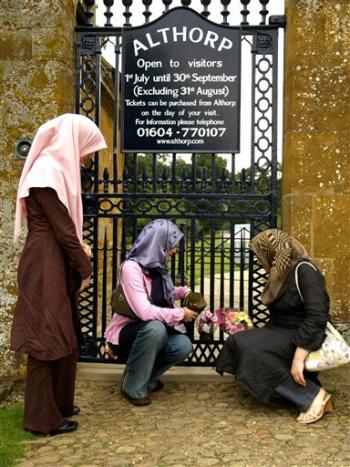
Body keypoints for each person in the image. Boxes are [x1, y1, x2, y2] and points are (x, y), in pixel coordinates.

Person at [11, 113, 107, 435]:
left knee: (64, 336)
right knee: (45, 338)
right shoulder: (46, 173)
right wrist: (86, 266)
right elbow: (64, 231)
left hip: (53, 261)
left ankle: (60, 404)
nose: (89, 156)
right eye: (88, 148)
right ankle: (41, 419)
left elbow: (66, 232)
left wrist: (79, 256)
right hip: (44, 264)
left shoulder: (57, 172)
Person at [216, 229, 332, 424]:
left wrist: (299, 357)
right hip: (281, 330)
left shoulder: (304, 270)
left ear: (272, 252)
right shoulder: (281, 272)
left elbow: (317, 317)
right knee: (239, 341)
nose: (259, 262)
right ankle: (286, 393)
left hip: (304, 334)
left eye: (260, 256)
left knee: (253, 351)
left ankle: (313, 397)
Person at [104, 219, 197, 406]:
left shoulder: (158, 268)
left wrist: (183, 292)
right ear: (159, 244)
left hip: (152, 332)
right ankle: (133, 387)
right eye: (171, 246)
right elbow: (145, 311)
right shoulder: (131, 268)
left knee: (183, 345)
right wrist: (180, 314)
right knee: (155, 328)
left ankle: (144, 378)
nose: (174, 250)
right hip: (128, 332)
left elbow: (163, 293)